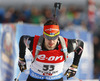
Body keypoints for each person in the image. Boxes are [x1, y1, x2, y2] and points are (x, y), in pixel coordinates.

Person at [18, 19, 84, 81]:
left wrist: (74, 66)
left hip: (55, 79)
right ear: (44, 35)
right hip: (35, 78)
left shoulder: (66, 45)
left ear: (58, 36)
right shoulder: (33, 43)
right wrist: (21, 59)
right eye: (48, 37)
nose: (51, 41)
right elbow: (22, 39)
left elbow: (80, 44)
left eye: (54, 37)